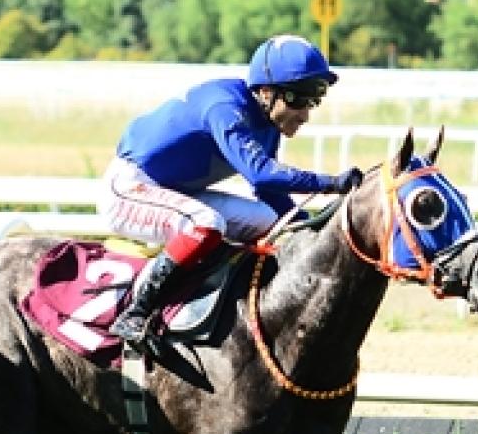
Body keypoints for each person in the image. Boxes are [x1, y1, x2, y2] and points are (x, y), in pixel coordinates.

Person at [98, 34, 364, 348]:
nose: (305, 114)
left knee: (266, 220)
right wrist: (331, 184)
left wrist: (313, 227)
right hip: (129, 187)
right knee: (206, 223)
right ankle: (136, 312)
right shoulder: (225, 106)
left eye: (312, 102)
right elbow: (262, 174)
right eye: (297, 99)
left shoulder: (266, 124)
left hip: (177, 194)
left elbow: (272, 198)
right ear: (265, 92)